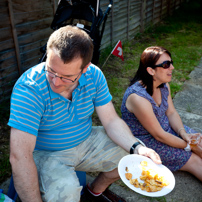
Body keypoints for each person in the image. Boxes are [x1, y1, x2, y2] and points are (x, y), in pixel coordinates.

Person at [8, 26, 161, 202]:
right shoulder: (30, 89)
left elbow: (111, 121)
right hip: (48, 153)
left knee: (135, 156)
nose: (56, 82)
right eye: (50, 70)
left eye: (66, 77)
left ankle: (94, 191)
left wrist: (138, 148)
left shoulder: (94, 75)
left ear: (85, 68)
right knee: (67, 193)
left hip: (86, 142)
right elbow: (20, 156)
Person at [121, 46, 202, 182]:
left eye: (171, 63)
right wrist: (189, 145)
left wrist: (183, 133)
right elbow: (159, 135)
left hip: (166, 129)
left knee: (200, 142)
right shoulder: (138, 98)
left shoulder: (163, 84)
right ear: (151, 70)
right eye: (166, 65)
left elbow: (171, 113)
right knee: (193, 159)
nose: (172, 68)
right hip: (148, 140)